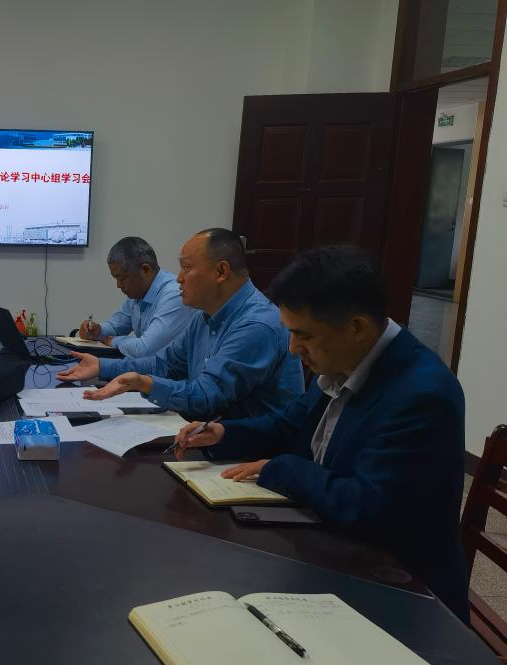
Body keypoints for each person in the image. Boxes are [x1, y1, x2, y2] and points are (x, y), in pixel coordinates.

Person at [176, 245, 469, 620]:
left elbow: (365, 506)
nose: (293, 349)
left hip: (401, 592)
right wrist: (222, 432)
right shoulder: (344, 359)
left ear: (357, 327)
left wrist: (282, 468)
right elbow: (288, 424)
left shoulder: (421, 394)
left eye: (304, 336)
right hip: (329, 548)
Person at [58, 228, 303, 421]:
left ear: (221, 272)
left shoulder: (256, 324)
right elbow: (164, 364)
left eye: (186, 267)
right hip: (210, 435)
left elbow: (206, 397)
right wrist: (101, 366)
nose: (179, 278)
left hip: (252, 455)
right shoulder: (204, 315)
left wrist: (144, 382)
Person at [77, 236, 193, 357]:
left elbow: (144, 350)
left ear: (145, 270)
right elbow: (116, 327)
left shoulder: (175, 294)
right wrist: (97, 331)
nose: (118, 285)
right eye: (116, 278)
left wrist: (114, 341)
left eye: (122, 278)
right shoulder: (138, 294)